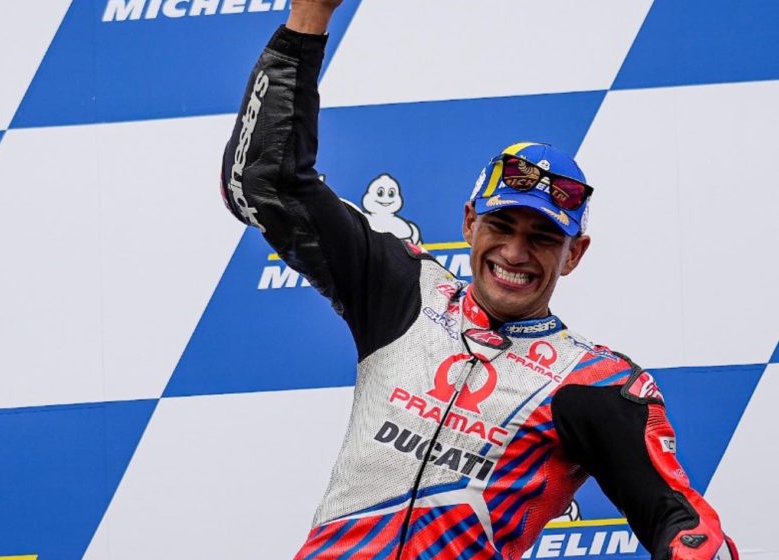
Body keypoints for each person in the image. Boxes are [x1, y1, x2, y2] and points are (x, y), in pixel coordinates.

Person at [220, 1, 738, 558]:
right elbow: (265, 182)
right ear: (469, 223)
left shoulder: (591, 383)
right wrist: (309, 15)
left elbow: (680, 520)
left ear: (574, 254)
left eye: (543, 238)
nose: (515, 252)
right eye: (501, 225)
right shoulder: (402, 289)